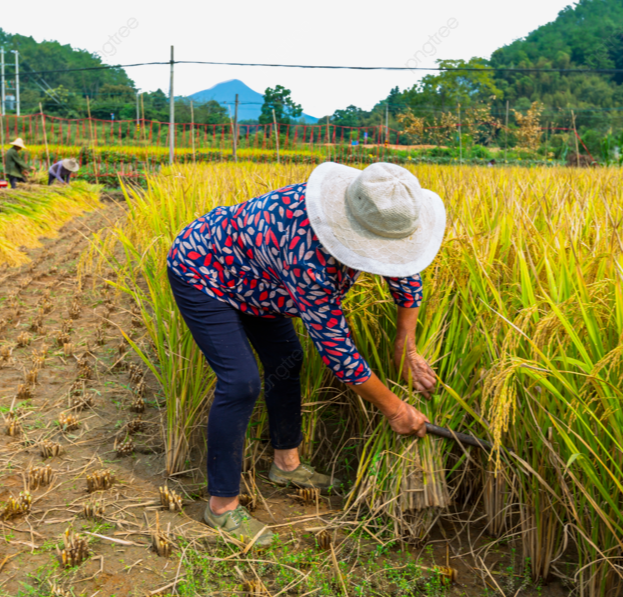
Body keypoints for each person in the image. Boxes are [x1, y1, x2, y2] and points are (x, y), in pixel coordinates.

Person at [167, 162, 446, 546]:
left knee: (288, 362)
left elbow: (403, 271)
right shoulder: (308, 257)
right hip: (205, 272)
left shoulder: (375, 209)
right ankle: (221, 507)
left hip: (263, 285)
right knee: (241, 381)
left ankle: (286, 465)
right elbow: (340, 353)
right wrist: (396, 410)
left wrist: (407, 347)